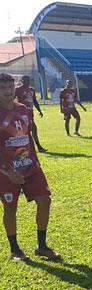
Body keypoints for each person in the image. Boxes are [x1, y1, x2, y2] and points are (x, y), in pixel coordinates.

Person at [0, 73, 60, 261]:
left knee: (45, 200)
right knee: (10, 209)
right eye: (3, 88)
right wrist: (7, 170)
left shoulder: (23, 109)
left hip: (30, 165)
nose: (8, 91)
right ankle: (15, 249)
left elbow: (27, 137)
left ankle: (41, 246)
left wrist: (35, 159)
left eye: (10, 87)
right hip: (7, 171)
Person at [14, 76, 46, 152]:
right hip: (23, 113)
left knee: (30, 129)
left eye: (28, 80)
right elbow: (11, 98)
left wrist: (39, 110)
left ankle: (31, 147)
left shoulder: (31, 90)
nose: (26, 82)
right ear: (22, 81)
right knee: (30, 129)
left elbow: (34, 101)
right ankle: (36, 147)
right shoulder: (18, 89)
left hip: (30, 112)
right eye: (25, 80)